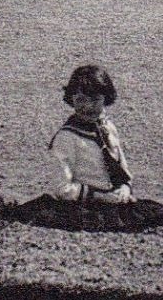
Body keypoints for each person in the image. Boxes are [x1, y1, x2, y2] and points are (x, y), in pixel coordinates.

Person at [47, 63, 134, 205]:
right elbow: (61, 188)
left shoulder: (108, 128)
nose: (88, 106)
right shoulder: (66, 137)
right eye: (80, 99)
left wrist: (125, 187)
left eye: (95, 100)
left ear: (106, 98)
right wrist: (99, 196)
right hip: (84, 206)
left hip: (114, 201)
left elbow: (122, 170)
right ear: (71, 99)